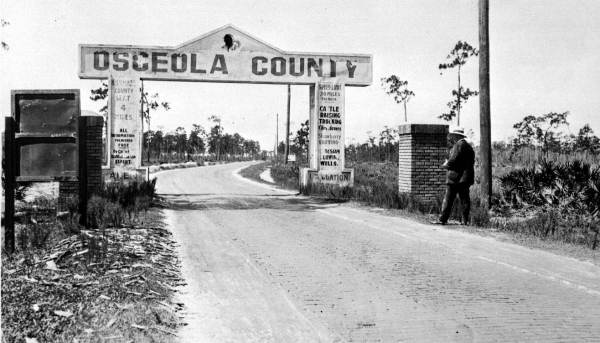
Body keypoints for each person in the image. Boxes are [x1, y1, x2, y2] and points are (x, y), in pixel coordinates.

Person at [436, 128, 475, 225]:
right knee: (465, 200)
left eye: (453, 136)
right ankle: (465, 221)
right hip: (465, 178)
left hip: (455, 178)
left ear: (457, 136)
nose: (451, 137)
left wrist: (446, 164)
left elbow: (454, 159)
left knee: (448, 199)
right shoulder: (469, 147)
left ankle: (442, 219)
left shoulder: (458, 145)